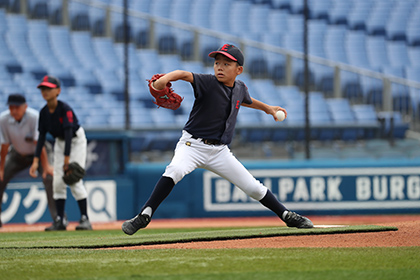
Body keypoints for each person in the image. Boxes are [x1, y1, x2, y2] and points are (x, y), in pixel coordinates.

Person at [122, 44, 313, 235]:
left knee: (253, 187)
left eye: (226, 64)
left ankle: (287, 215)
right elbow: (183, 74)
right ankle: (145, 215)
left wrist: (268, 108)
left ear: (239, 70)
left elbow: (246, 100)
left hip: (220, 152)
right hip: (192, 146)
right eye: (217, 63)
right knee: (175, 170)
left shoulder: (240, 88)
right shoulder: (208, 83)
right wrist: (162, 81)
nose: (219, 67)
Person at [29, 75, 92, 231]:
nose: (45, 91)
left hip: (76, 141)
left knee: (73, 179)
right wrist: (36, 160)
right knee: (57, 182)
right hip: (60, 142)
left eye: (48, 88)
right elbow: (41, 137)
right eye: (43, 89)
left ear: (58, 91)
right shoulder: (43, 113)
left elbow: (69, 133)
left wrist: (67, 160)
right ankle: (60, 220)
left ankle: (85, 219)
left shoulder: (65, 109)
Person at [0, 94, 56, 228]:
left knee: (49, 177)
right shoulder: (3, 119)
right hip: (17, 154)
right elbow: (5, 146)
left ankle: (58, 218)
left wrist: (45, 166)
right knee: (0, 178)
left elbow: (39, 143)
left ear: (25, 107)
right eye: (11, 107)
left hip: (40, 152)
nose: (14, 110)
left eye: (17, 107)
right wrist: (1, 168)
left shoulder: (34, 117)